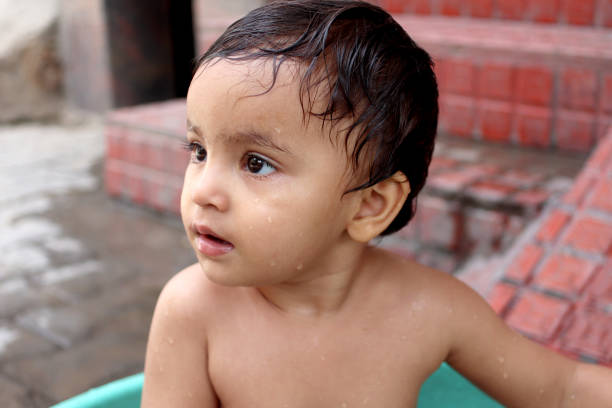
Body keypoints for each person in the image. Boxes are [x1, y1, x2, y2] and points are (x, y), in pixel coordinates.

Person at [141, 1, 612, 406]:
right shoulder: (195, 313)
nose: (202, 191)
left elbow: (561, 389)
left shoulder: (429, 310)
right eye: (199, 151)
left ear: (370, 206)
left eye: (257, 163)